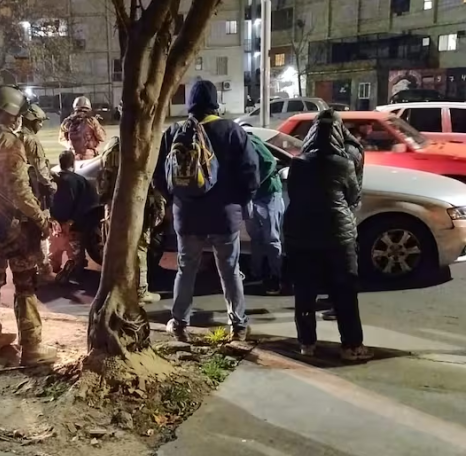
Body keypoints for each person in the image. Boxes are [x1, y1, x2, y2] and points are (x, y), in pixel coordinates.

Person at [155, 80, 260, 342]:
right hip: (224, 217)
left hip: (187, 217)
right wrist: (239, 203)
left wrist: (178, 200)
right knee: (230, 270)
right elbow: (251, 175)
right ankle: (238, 325)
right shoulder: (232, 131)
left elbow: (160, 177)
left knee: (186, 269)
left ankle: (179, 323)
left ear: (190, 103)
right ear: (215, 102)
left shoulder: (174, 132)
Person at [0, 85, 57, 366]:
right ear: (10, 113)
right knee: (25, 283)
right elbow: (20, 191)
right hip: (14, 224)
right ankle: (32, 347)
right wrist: (41, 219)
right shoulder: (8, 142)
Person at [284, 109, 372, 361]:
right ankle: (351, 346)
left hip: (301, 235)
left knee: (304, 292)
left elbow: (293, 194)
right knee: (345, 291)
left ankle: (307, 343)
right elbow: (353, 197)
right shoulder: (343, 163)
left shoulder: (298, 163)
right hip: (338, 235)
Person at [98, 111, 166, 304]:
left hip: (114, 205)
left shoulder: (113, 147)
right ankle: (140, 291)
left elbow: (103, 179)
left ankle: (116, 288)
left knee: (115, 246)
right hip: (137, 204)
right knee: (140, 247)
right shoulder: (144, 145)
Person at [321, 122, 365, 321]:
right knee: (340, 263)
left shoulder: (346, 154)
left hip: (341, 213)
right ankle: (335, 301)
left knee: (342, 265)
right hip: (344, 211)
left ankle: (338, 306)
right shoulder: (350, 149)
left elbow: (348, 187)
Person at [49, 150, 100, 282]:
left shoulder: (52, 180)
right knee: (76, 259)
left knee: (53, 256)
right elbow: (86, 204)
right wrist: (71, 222)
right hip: (73, 229)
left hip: (54, 227)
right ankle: (73, 269)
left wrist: (53, 220)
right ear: (73, 163)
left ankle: (53, 270)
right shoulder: (80, 181)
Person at [18, 103, 57, 277]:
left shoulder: (15, 136)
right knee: (40, 229)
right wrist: (51, 185)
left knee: (24, 231)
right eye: (39, 121)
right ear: (32, 121)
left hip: (19, 192)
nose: (41, 125)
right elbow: (40, 169)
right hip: (34, 190)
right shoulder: (31, 140)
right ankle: (43, 268)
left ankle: (31, 267)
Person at [246, 133, 284, 295]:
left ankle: (276, 276)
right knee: (255, 237)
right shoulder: (231, 145)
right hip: (252, 196)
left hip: (267, 194)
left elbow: (269, 162)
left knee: (271, 238)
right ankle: (256, 273)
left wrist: (254, 184)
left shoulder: (250, 142)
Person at [59, 96, 106, 160]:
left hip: (73, 156)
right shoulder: (91, 121)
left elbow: (61, 139)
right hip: (89, 156)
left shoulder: (67, 121)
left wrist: (70, 146)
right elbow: (102, 137)